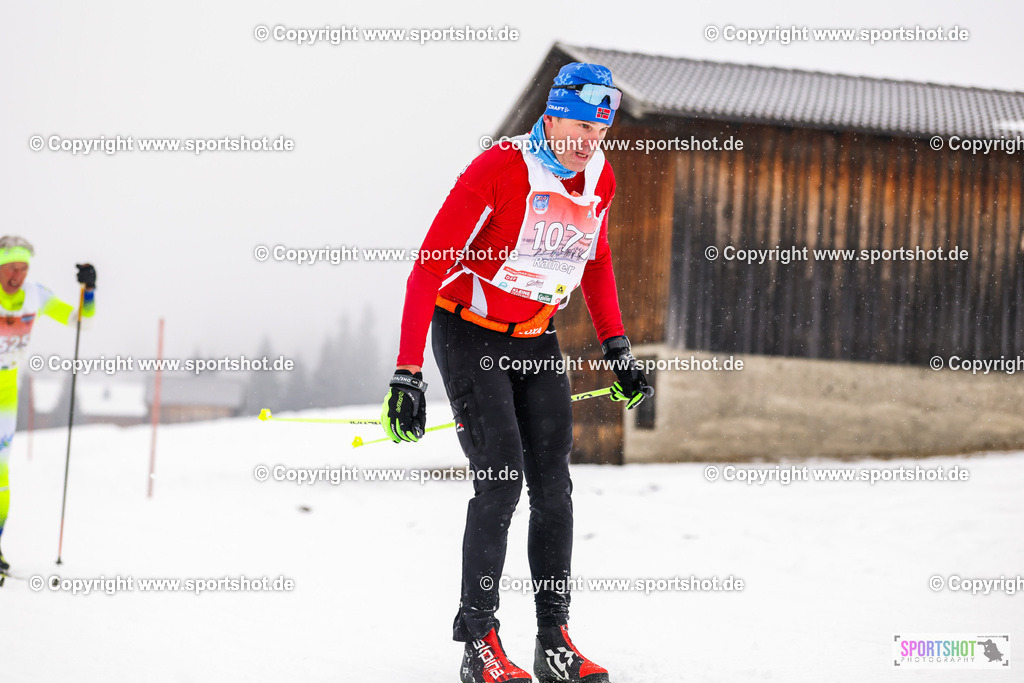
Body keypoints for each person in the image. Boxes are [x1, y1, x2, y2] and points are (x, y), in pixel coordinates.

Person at [381, 63, 652, 683]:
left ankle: (553, 639)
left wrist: (618, 348)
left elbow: (598, 259)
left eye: (599, 130)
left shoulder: (598, 178)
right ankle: (479, 640)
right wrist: (406, 374)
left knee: (554, 488)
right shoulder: (499, 169)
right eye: (578, 125)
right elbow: (427, 268)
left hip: (536, 339)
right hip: (469, 333)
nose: (586, 141)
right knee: (502, 481)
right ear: (551, 115)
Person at [0, 236, 95, 574]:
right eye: (11, 267)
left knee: (0, 477)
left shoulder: (35, 294)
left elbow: (80, 319)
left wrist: (89, 290)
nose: (18, 274)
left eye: (23, 268)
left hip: (6, 391)